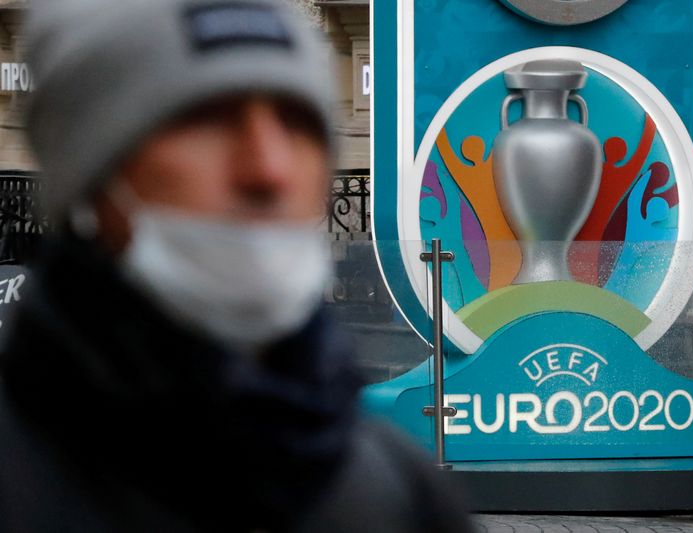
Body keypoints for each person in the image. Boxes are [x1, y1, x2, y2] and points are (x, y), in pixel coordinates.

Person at [0, 1, 474, 531]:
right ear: (89, 172)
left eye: (297, 123)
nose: (268, 168)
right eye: (206, 118)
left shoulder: (397, 490)